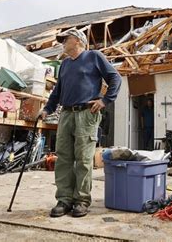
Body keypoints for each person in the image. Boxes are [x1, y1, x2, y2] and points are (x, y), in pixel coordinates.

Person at [41, 28, 122, 218]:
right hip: (67, 114)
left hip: (87, 113)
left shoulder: (94, 56)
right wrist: (46, 109)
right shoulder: (65, 64)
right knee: (63, 158)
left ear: (78, 40)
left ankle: (82, 201)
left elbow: (115, 78)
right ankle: (64, 200)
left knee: (84, 160)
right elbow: (57, 92)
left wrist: (105, 100)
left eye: (65, 39)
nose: (62, 43)